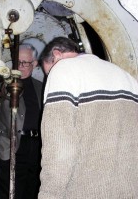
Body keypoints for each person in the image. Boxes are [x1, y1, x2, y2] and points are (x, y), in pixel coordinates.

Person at [38, 36, 138, 199]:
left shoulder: (63, 70)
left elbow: (60, 147)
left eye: (48, 73)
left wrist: (49, 195)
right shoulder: (126, 76)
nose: (49, 77)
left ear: (56, 54)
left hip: (87, 190)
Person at [0, 43, 43, 199]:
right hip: (10, 147)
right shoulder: (2, 87)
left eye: (25, 63)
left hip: (37, 149)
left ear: (34, 64)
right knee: (9, 193)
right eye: (17, 62)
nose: (20, 66)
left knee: (33, 191)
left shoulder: (42, 87)